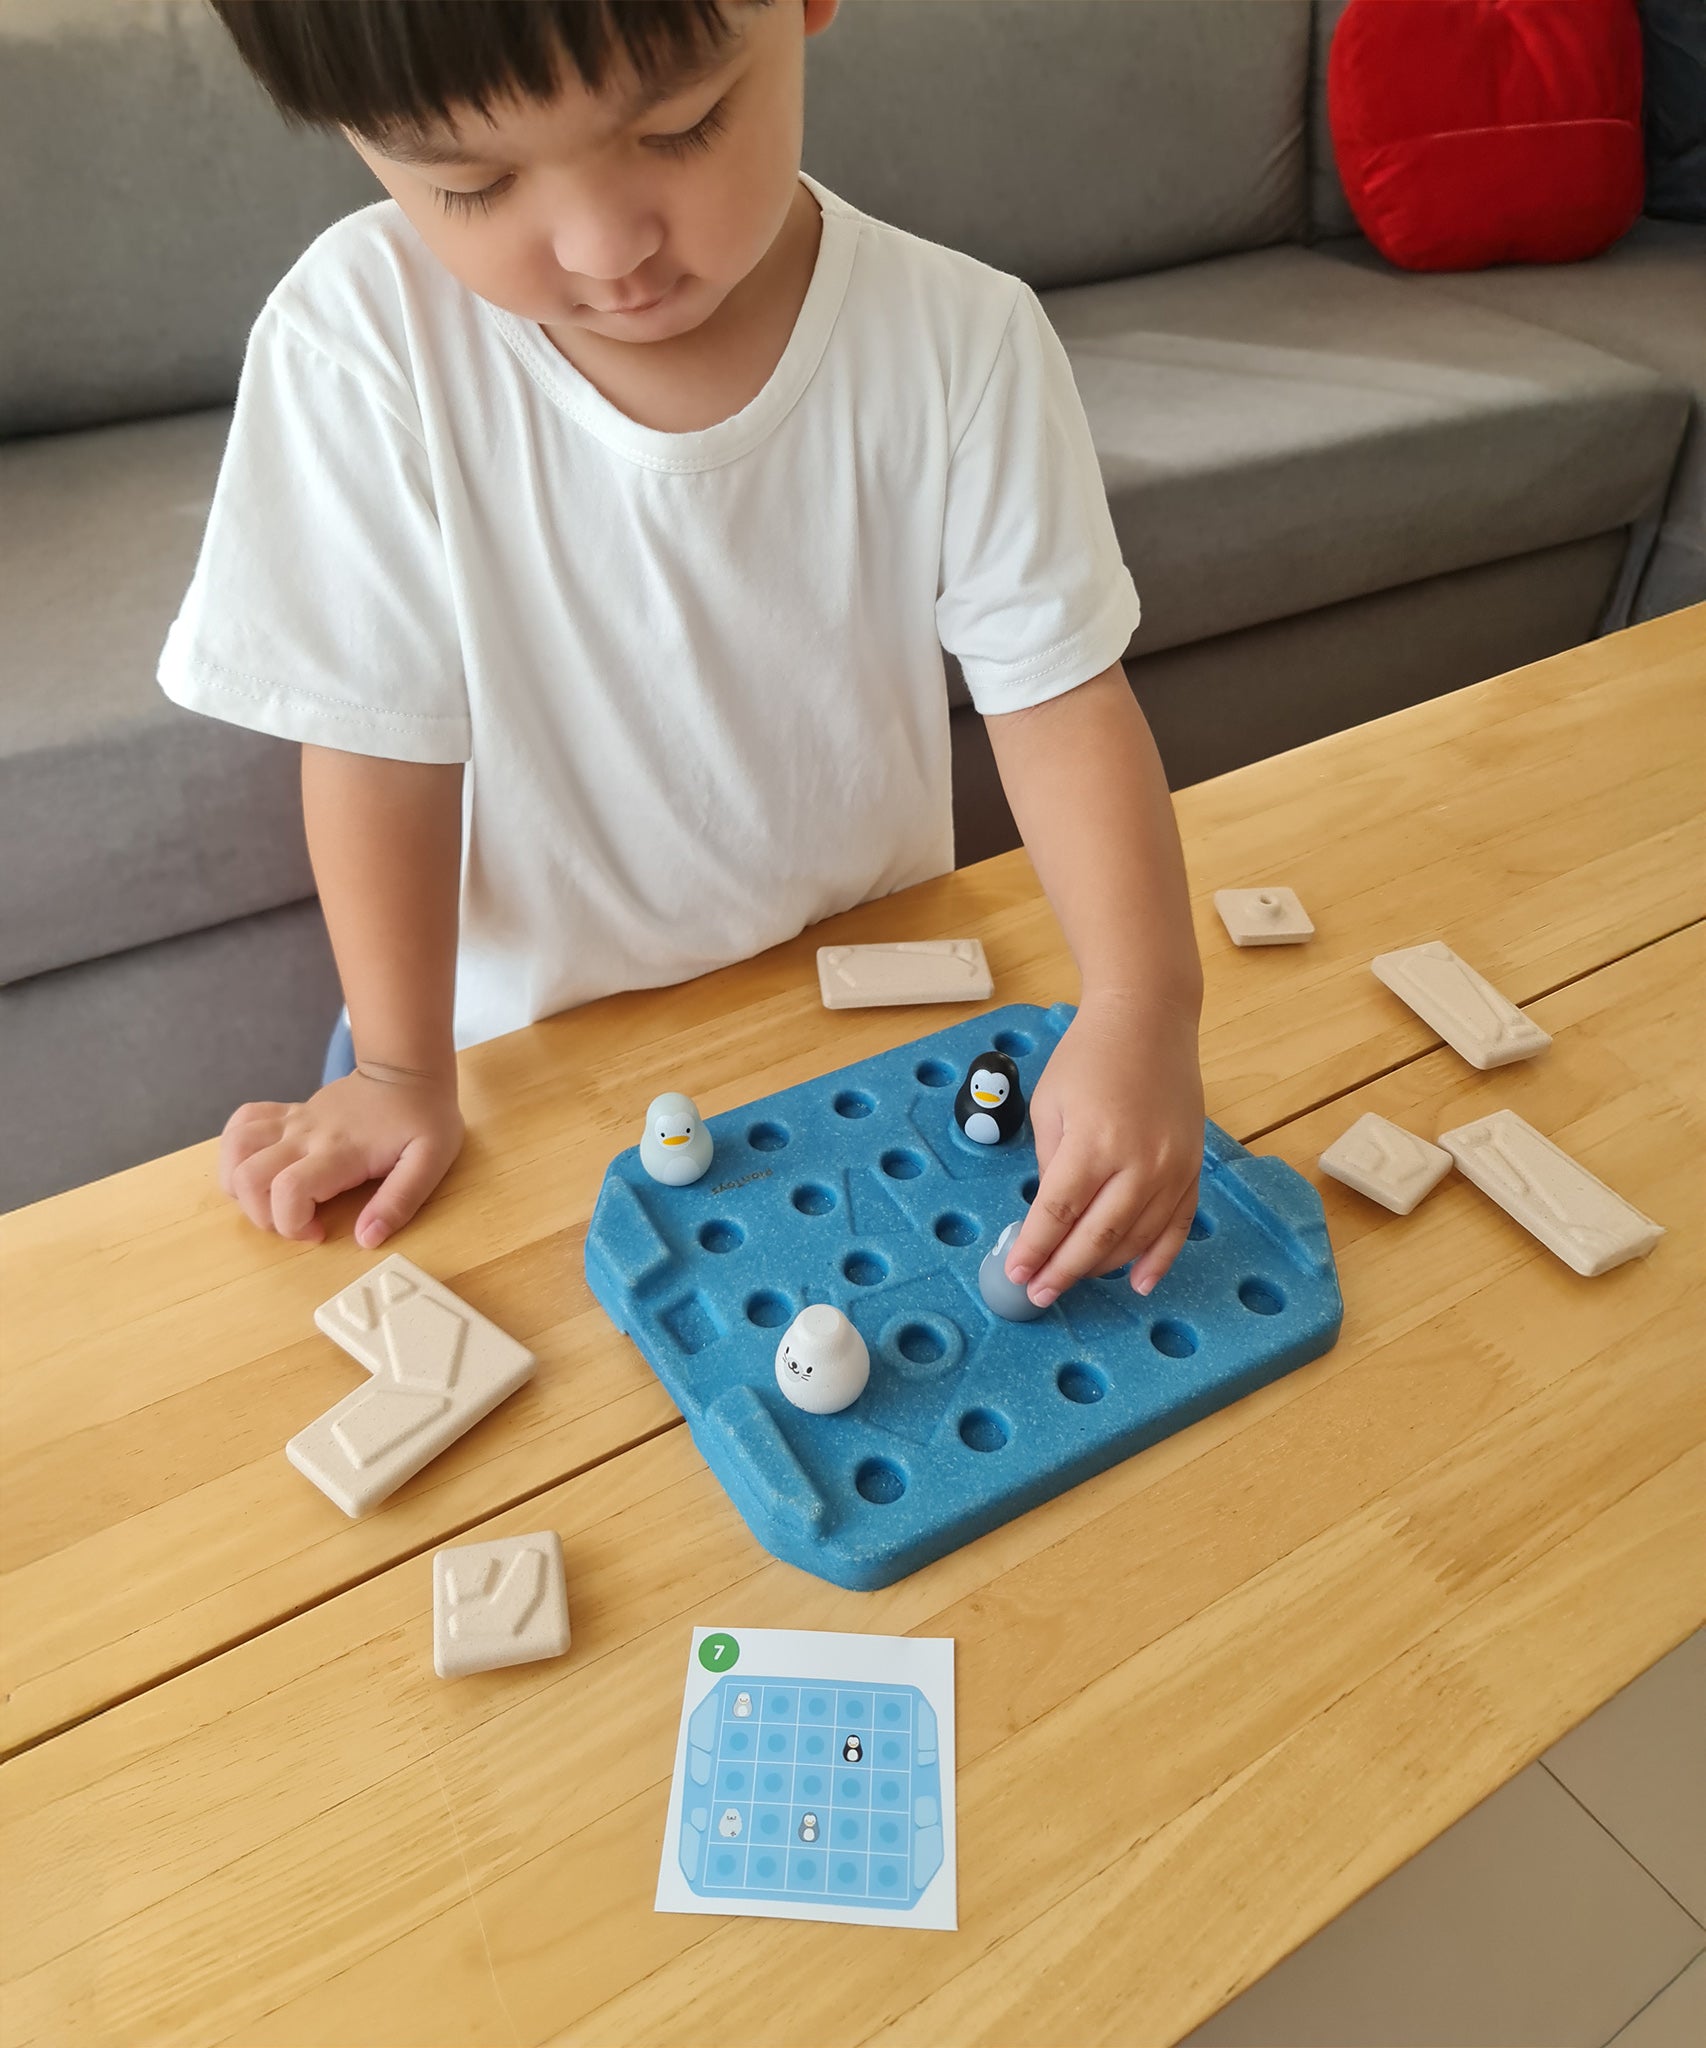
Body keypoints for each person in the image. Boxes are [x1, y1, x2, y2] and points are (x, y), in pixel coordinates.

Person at [163, 0, 1204, 1310]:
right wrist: (395, 1074)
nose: (607, 247)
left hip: (841, 1023)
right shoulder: (358, 344)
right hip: (498, 1044)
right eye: (469, 182)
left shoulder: (962, 339)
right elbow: (375, 747)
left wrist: (1140, 1004)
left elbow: (1059, 697)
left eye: (681, 125)